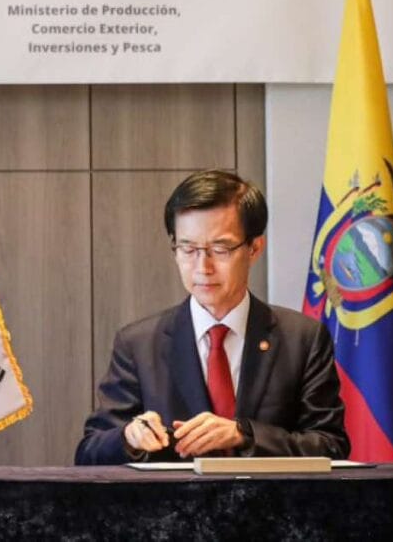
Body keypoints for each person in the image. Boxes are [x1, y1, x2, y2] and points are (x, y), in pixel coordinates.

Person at [75, 170, 349, 465]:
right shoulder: (139, 344)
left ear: (254, 248)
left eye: (220, 249)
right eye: (188, 249)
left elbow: (331, 446)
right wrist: (129, 438)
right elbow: (90, 453)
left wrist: (244, 435)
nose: (202, 267)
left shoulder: (302, 339)